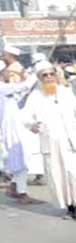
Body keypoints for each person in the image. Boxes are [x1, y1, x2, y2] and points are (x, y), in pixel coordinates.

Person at [24, 61, 76, 221]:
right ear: (39, 78)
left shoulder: (66, 92)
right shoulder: (35, 96)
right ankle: (69, 207)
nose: (49, 78)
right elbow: (25, 118)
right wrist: (33, 126)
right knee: (58, 176)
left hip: (70, 142)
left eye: (52, 74)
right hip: (50, 144)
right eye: (45, 75)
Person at [1, 63, 43, 204]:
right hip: (11, 128)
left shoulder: (6, 89)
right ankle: (22, 194)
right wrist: (37, 70)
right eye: (6, 71)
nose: (9, 73)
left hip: (13, 126)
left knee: (18, 158)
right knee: (20, 158)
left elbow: (16, 100)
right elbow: (24, 86)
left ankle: (14, 187)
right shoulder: (2, 87)